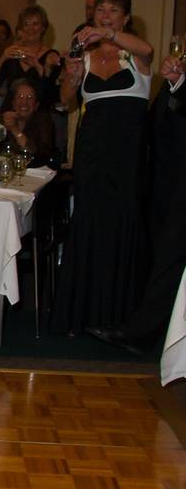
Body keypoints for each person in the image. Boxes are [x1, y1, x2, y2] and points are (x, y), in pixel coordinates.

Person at [51, 0, 153, 336]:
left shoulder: (134, 56)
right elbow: (66, 102)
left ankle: (121, 316)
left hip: (127, 152)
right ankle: (82, 313)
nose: (104, 15)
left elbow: (149, 48)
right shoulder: (88, 57)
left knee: (124, 221)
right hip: (92, 151)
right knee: (89, 221)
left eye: (112, 11)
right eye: (100, 11)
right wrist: (72, 75)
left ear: (124, 18)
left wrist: (109, 34)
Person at [88, 53, 186, 356]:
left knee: (170, 253)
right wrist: (175, 85)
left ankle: (142, 332)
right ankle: (143, 331)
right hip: (174, 180)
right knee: (167, 253)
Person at [0, 4, 61, 109]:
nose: (30, 28)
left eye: (35, 24)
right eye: (26, 24)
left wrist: (37, 66)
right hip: (10, 113)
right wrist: (2, 58)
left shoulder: (51, 55)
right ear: (21, 28)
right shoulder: (12, 53)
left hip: (39, 115)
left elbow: (53, 94)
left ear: (43, 28)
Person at [1, 78, 55, 166]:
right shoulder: (4, 119)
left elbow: (37, 154)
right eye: (20, 97)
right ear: (13, 103)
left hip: (36, 172)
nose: (24, 102)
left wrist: (15, 130)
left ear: (36, 105)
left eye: (30, 97)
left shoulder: (44, 121)